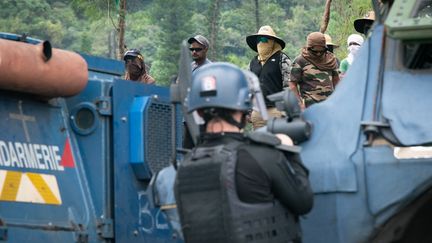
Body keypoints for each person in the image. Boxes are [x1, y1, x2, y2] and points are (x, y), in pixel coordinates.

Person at [175, 62, 314, 243]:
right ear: (241, 109)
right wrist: (290, 151)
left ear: (199, 112)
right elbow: (303, 202)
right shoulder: (263, 155)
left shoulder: (184, 168)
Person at [246, 25, 291, 129]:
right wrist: (249, 111)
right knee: (258, 142)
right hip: (257, 112)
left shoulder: (282, 59)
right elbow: (249, 88)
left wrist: (285, 110)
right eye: (259, 39)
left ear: (272, 42)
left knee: (278, 141)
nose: (262, 42)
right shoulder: (253, 62)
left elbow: (288, 86)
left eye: (265, 39)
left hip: (276, 110)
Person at [289, 32, 340, 109]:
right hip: (309, 106)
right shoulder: (300, 61)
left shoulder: (330, 59)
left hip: (329, 105)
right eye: (315, 51)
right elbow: (292, 85)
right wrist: (299, 104)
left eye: (321, 51)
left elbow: (336, 81)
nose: (318, 54)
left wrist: (339, 99)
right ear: (309, 48)